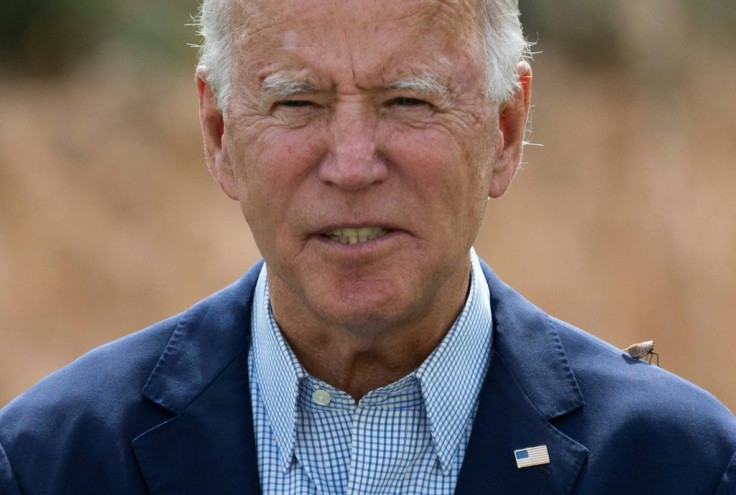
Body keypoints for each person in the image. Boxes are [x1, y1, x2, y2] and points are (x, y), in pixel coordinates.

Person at [1, 0, 735, 493]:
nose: (352, 165)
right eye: (297, 103)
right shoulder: (50, 462)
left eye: (408, 101)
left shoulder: (682, 465)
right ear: (220, 134)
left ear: (505, 130)